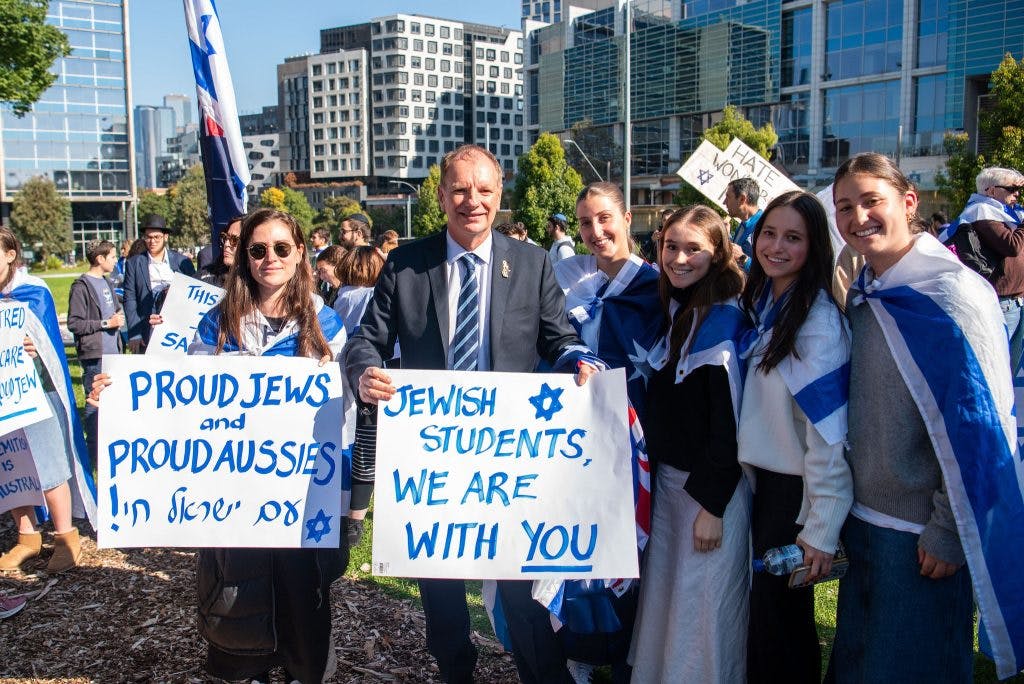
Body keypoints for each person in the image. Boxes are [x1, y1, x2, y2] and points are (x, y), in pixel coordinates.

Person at [343, 144, 600, 684]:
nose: (472, 201)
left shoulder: (531, 264)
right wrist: (365, 373)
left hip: (507, 460)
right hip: (432, 461)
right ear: (440, 195)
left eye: (484, 190)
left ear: (499, 195)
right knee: (442, 599)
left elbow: (560, 338)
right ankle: (455, 672)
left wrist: (579, 361)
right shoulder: (408, 262)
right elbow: (366, 340)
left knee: (522, 595)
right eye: (459, 189)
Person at [90, 208, 350, 684]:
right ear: (244, 258)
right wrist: (119, 395)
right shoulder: (216, 322)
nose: (269, 258)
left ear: (299, 255)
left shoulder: (325, 324)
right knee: (238, 620)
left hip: (300, 498)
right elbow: (180, 401)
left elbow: (340, 413)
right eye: (257, 249)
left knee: (302, 622)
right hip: (232, 504)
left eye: (280, 248)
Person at [826, 153, 1024, 681]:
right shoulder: (868, 293)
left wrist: (948, 530)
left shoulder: (954, 294)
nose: (857, 217)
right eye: (845, 206)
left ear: (908, 202)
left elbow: (981, 427)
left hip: (921, 534)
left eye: (872, 201)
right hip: (865, 521)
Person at [629, 205, 752, 682]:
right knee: (669, 608)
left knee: (703, 615)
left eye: (694, 248)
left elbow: (729, 428)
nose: (679, 258)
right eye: (671, 246)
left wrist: (713, 507)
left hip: (708, 496)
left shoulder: (722, 322)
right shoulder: (683, 308)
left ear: (719, 253)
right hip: (672, 488)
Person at [546, 181, 660, 682]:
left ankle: (632, 647)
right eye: (585, 223)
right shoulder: (567, 279)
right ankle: (586, 649)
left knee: (634, 549)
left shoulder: (658, 285)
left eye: (604, 219)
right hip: (579, 443)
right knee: (586, 549)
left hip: (641, 439)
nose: (595, 231)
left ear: (627, 217)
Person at [737, 191, 852, 683]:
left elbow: (828, 437)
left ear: (814, 247)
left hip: (793, 501)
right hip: (763, 489)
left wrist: (820, 530)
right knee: (764, 627)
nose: (776, 246)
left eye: (793, 237)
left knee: (783, 631)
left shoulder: (817, 322)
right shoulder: (769, 306)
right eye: (768, 233)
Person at [0, 228, 96, 573]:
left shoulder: (33, 291)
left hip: (38, 392)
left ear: (11, 254)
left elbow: (48, 343)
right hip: (3, 398)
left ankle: (65, 537)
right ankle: (26, 536)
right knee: (12, 466)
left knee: (48, 461)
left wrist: (33, 346)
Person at [331, 245, 388, 549]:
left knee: (358, 443)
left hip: (345, 375)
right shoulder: (375, 297)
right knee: (370, 446)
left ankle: (350, 517)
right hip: (374, 375)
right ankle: (358, 518)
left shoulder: (341, 298)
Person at [950, 167, 1024, 373]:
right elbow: (1012, 245)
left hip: (1017, 300)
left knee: (1011, 368)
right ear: (991, 191)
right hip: (1002, 302)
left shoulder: (1008, 214)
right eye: (1011, 188)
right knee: (997, 370)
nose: (1016, 194)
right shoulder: (981, 212)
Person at [66, 240, 124, 469]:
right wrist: (105, 323)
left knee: (111, 404)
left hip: (114, 353)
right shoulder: (81, 286)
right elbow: (74, 324)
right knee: (94, 403)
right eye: (111, 256)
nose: (115, 260)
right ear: (99, 259)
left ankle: (109, 448)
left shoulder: (107, 282)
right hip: (95, 355)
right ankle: (94, 454)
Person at [123, 214, 195, 352]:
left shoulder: (182, 262)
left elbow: (193, 293)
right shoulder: (134, 264)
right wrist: (135, 333)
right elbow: (130, 299)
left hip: (177, 329)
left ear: (165, 237)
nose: (152, 241)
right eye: (148, 237)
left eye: (157, 237)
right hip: (146, 329)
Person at [197, 216, 243, 288]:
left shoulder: (262, 282)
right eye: (225, 238)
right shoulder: (205, 276)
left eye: (234, 240)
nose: (226, 244)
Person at [725, 177, 763, 265]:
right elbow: (735, 253)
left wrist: (743, 258)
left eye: (728, 197)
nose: (724, 202)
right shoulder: (743, 223)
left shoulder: (763, 227)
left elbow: (768, 272)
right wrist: (727, 236)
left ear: (742, 199)